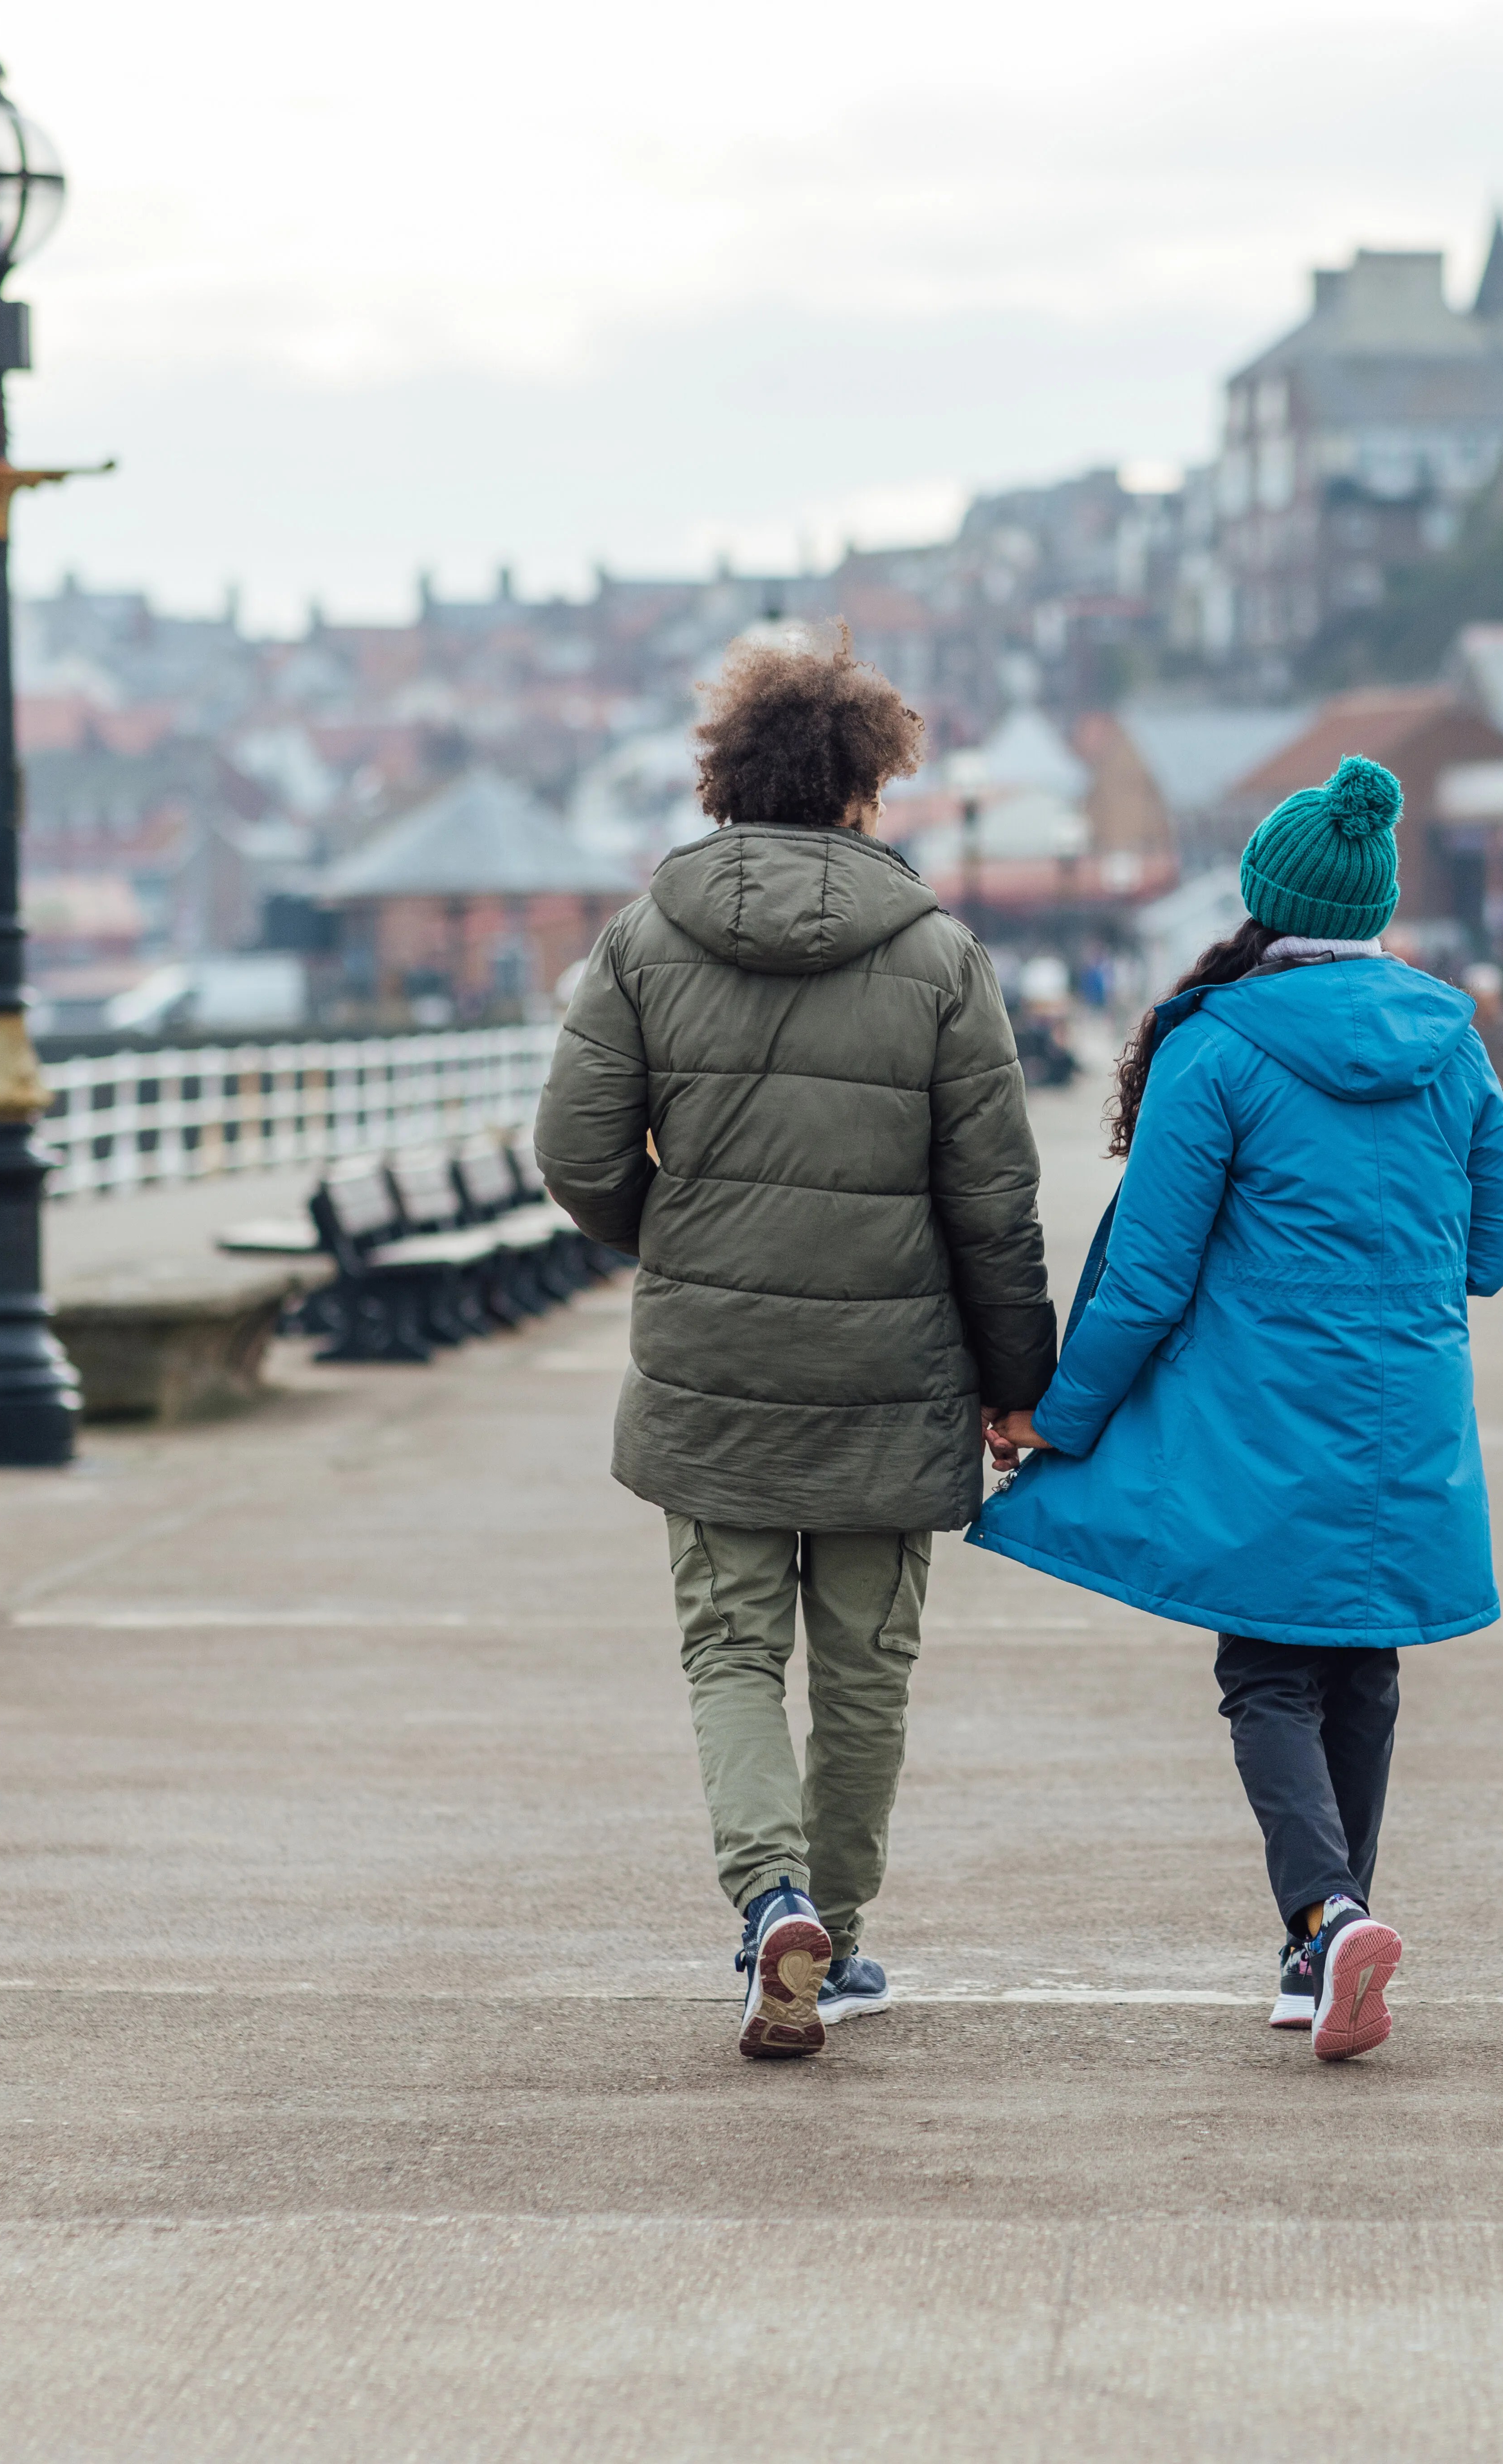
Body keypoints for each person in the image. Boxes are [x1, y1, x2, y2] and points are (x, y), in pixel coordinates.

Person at [536, 627, 1055, 2062]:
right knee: (866, 1675)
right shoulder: (944, 959)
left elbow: (573, 1150)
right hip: (898, 1376)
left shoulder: (645, 941)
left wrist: (682, 1230)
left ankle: (770, 1900)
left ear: (727, 780)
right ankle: (841, 1930)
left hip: (717, 1368)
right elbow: (994, 1203)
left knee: (731, 1654)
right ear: (860, 788)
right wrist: (1021, 1386)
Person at [971, 755, 1503, 2062]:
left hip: (1265, 1412)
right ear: (1382, 906)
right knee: (1364, 1664)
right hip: (1407, 1408)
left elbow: (1150, 1274)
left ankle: (1327, 1917)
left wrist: (1063, 1415)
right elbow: (1492, 1251)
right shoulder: (1453, 1041)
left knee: (1268, 1667)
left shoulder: (1214, 1046)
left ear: (1264, 901)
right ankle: (1320, 1948)